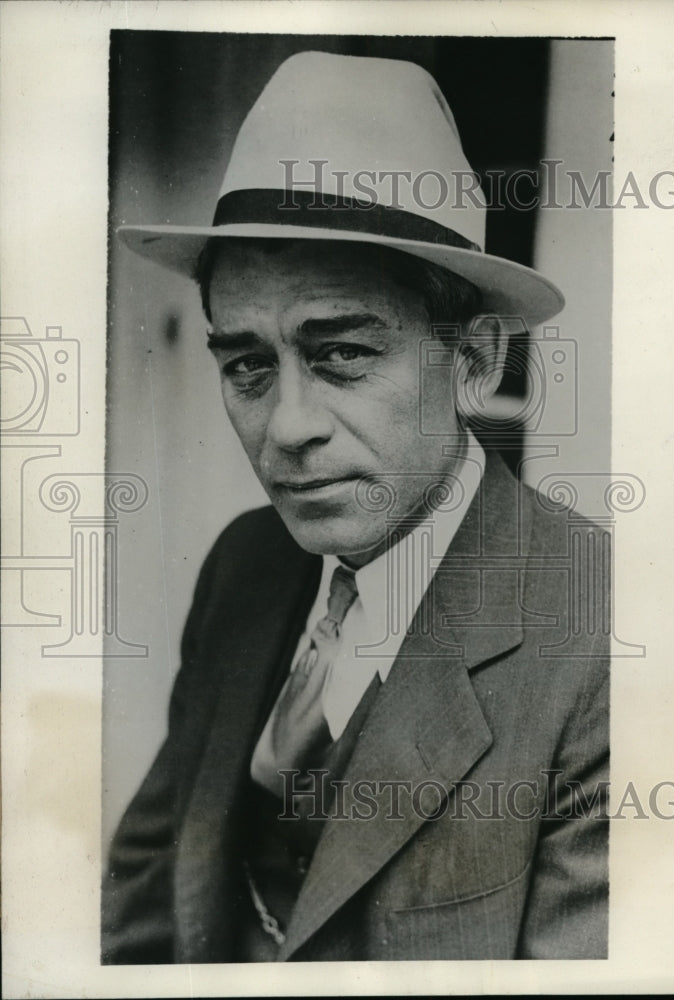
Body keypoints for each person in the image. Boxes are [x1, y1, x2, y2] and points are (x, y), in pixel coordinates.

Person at [103, 50, 609, 963]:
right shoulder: (245, 565)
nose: (287, 428)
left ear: (475, 360)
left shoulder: (604, 638)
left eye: (340, 354)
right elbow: (143, 905)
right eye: (247, 364)